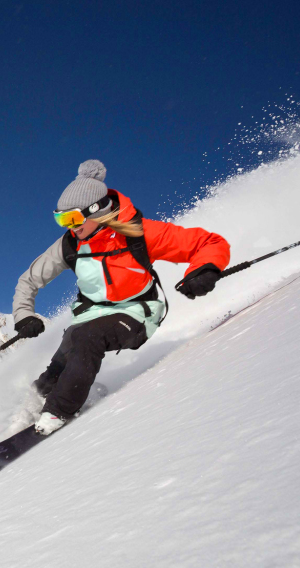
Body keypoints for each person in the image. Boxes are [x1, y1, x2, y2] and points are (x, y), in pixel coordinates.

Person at [12, 159, 230, 435]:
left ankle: (56, 414)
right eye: (61, 219)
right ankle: (30, 408)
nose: (70, 227)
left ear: (97, 210)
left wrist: (204, 270)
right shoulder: (69, 244)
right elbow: (29, 280)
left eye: (74, 219)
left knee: (87, 338)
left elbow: (208, 243)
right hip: (92, 314)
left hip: (138, 311)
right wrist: (24, 315)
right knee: (64, 354)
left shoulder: (137, 233)